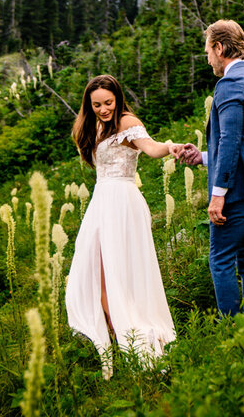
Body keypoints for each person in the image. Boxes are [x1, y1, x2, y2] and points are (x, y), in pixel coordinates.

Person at [65, 74, 177, 378]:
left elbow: (151, 148)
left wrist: (172, 147)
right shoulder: (93, 126)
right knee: (92, 271)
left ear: (118, 99)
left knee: (119, 270)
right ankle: (114, 331)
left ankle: (131, 334)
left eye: (108, 103)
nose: (103, 109)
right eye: (97, 104)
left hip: (123, 202)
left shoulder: (127, 122)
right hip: (101, 201)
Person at [175, 19, 244, 317]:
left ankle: (235, 333)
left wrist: (218, 193)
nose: (208, 59)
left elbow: (231, 139)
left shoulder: (229, 84)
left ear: (220, 48)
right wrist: (204, 158)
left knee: (220, 259)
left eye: (208, 51)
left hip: (239, 189)